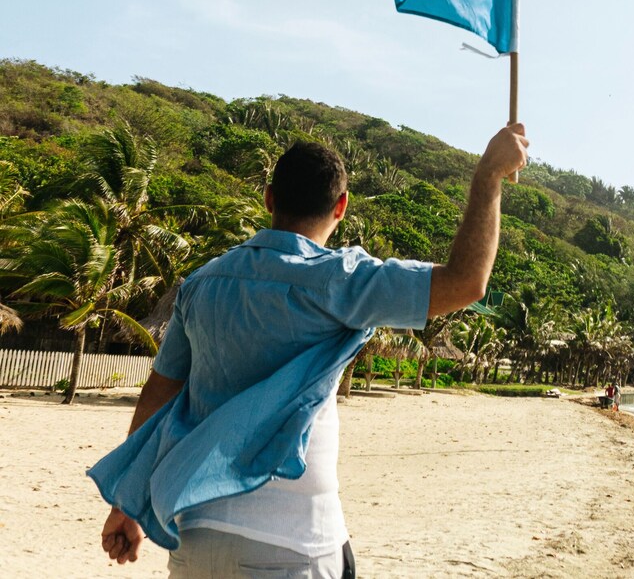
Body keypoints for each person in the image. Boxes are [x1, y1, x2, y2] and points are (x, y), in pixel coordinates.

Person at [88, 124, 529, 578]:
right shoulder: (341, 280)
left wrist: (130, 503)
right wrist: (487, 178)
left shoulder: (201, 285)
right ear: (341, 207)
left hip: (196, 537)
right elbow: (466, 282)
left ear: (268, 198)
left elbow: (159, 393)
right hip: (293, 543)